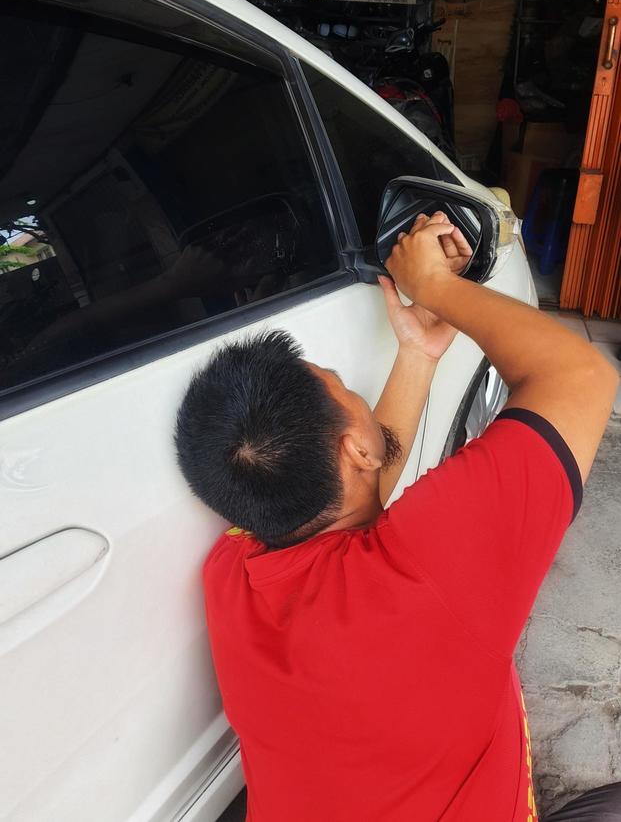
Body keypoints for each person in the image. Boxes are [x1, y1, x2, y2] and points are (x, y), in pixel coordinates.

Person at [175, 211, 619, 822]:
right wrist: (438, 286)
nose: (355, 391)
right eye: (342, 387)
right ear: (354, 448)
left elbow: (357, 483)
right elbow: (581, 373)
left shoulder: (232, 572)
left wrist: (418, 353)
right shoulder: (429, 569)